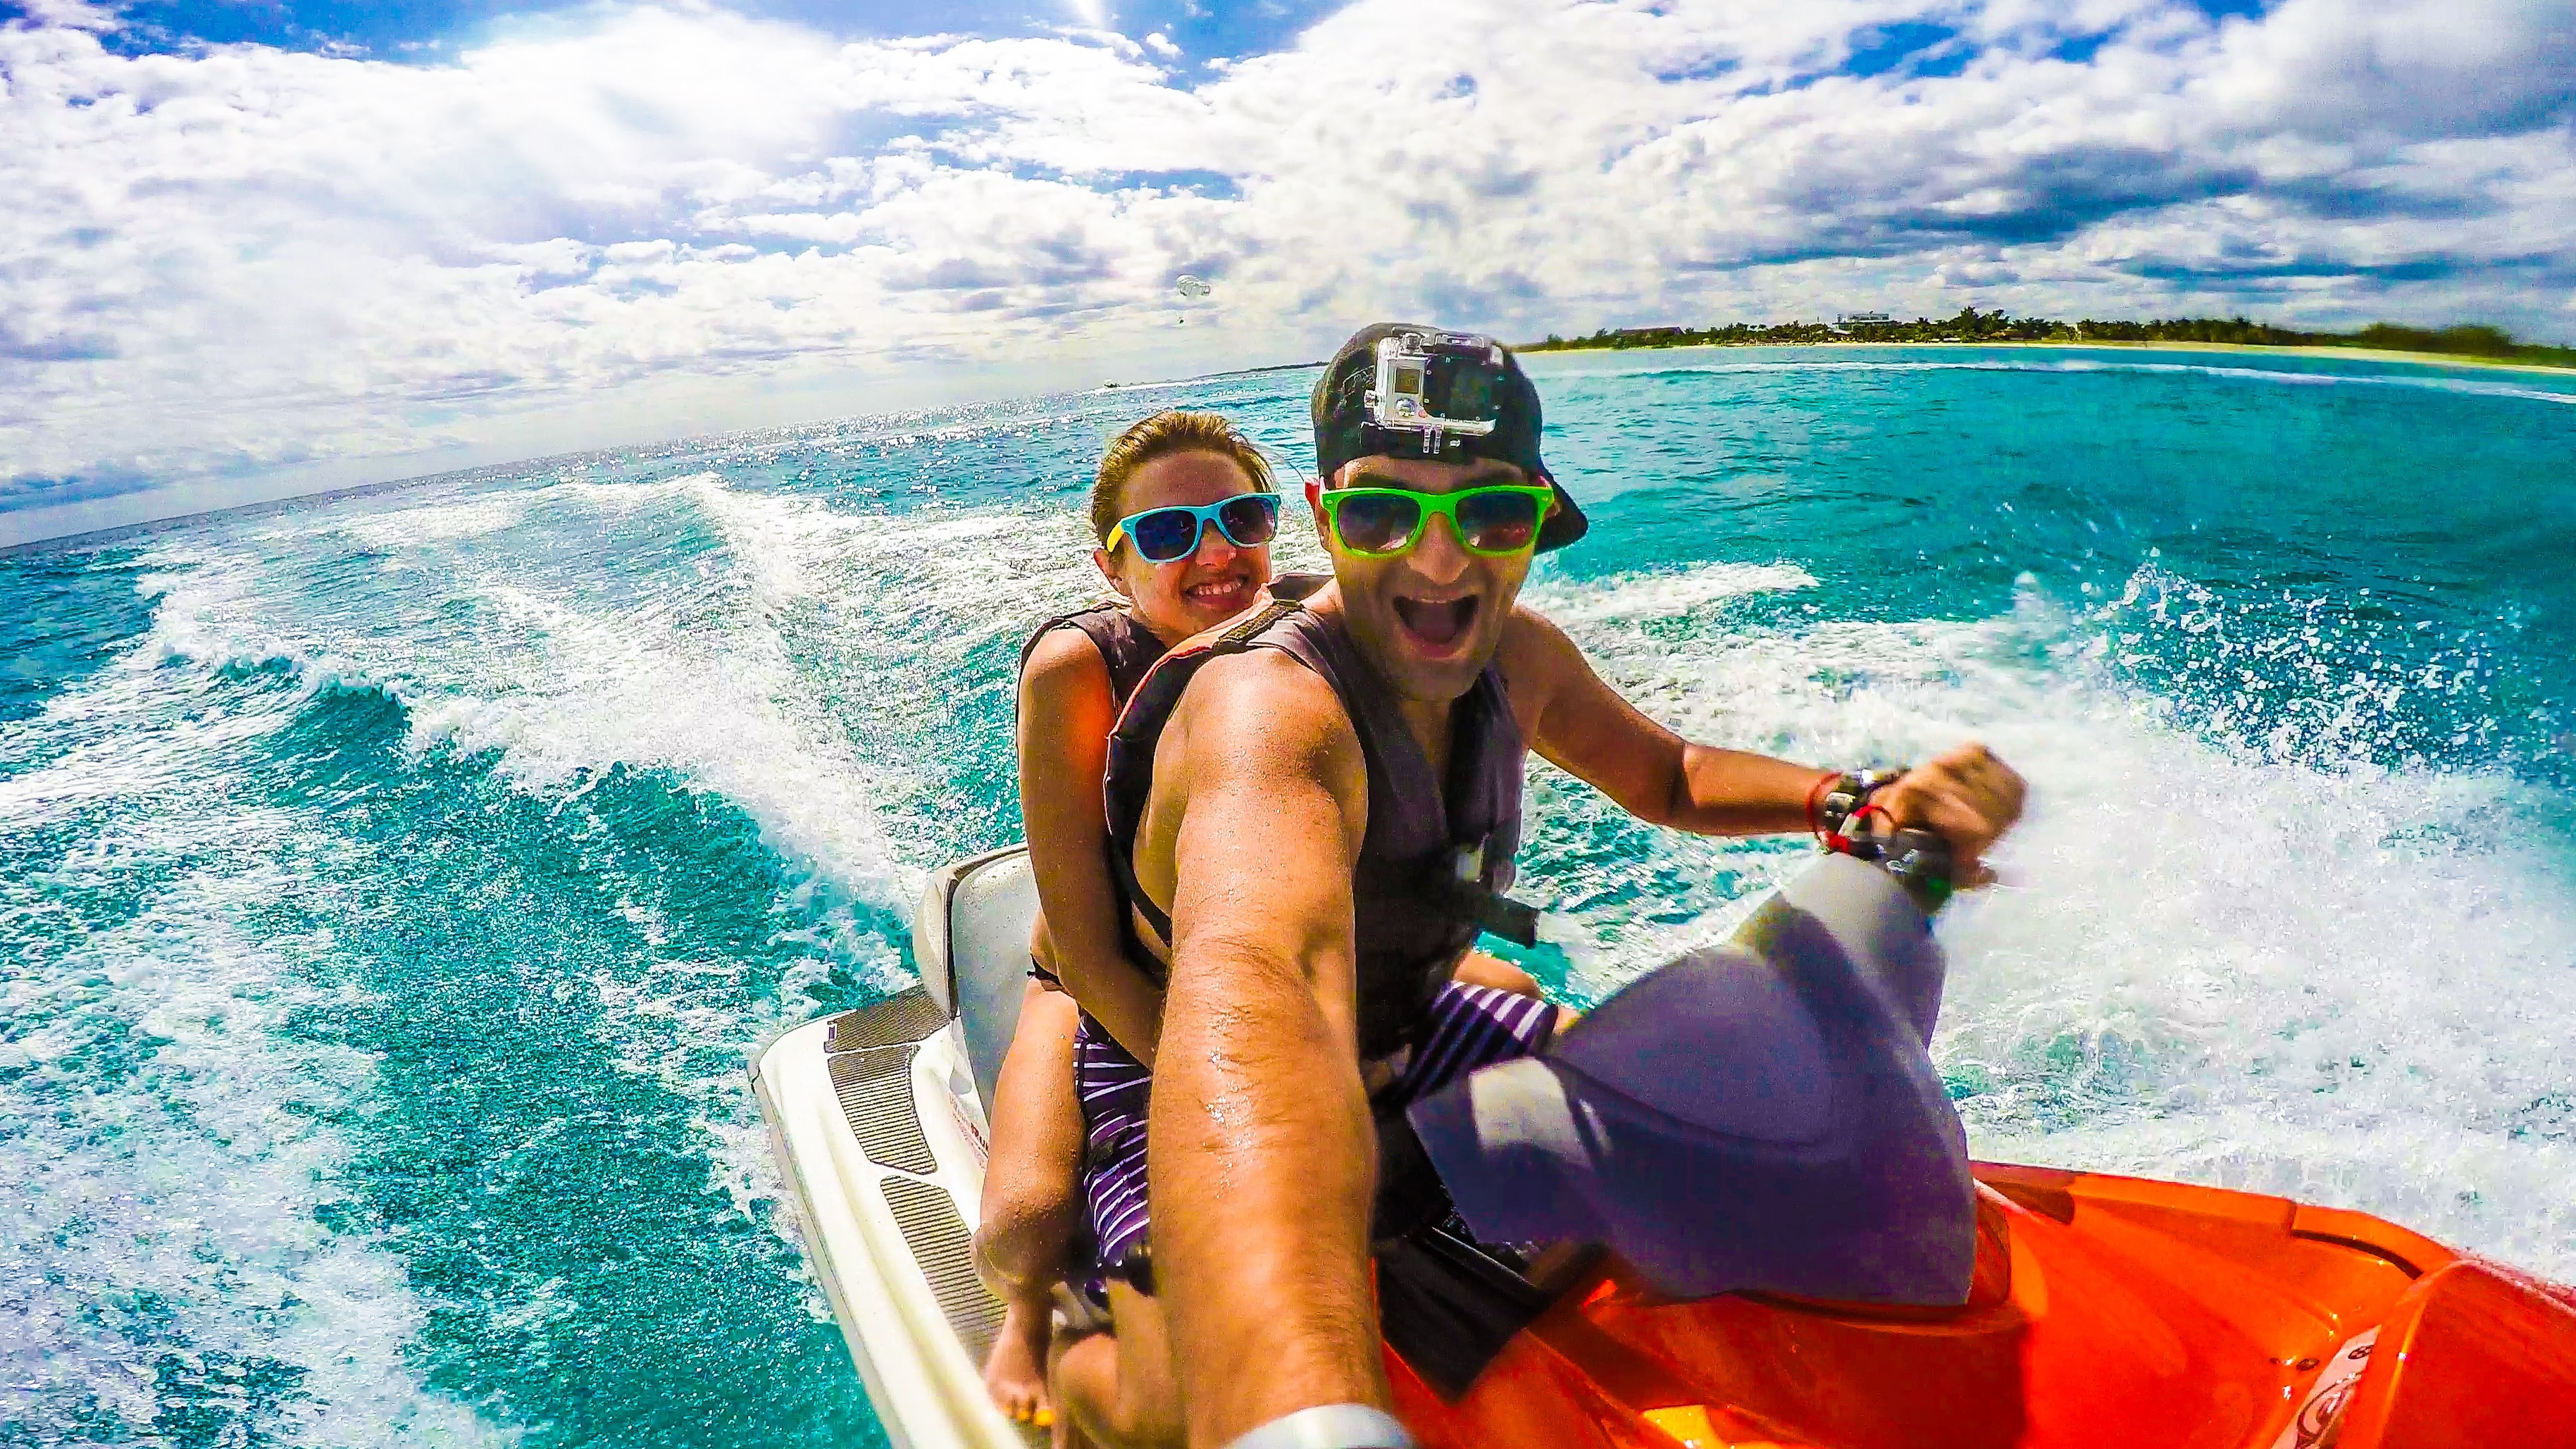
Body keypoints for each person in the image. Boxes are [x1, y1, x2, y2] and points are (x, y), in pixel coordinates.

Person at [1090, 325, 2027, 1449]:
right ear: (1324, 514)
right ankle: (1078, 1369)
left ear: (1536, 518)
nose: (1440, 565)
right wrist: (1302, 1413)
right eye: (1386, 513)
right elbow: (1266, 979)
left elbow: (1669, 774)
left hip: (1410, 1023)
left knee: (1664, 1142)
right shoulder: (1268, 713)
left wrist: (1847, 797)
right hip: (1183, 1071)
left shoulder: (1519, 658)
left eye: (1488, 513)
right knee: (1163, 1412)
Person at [976, 408, 1554, 1435]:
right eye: (1166, 533)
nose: (1214, 550)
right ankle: (1038, 1330)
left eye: (1239, 515)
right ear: (1112, 567)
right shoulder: (1077, 669)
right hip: (1108, 985)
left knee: (1523, 1004)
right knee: (1025, 1217)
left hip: (1264, 966)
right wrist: (1253, 1093)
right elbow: (1091, 942)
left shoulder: (1318, 633)